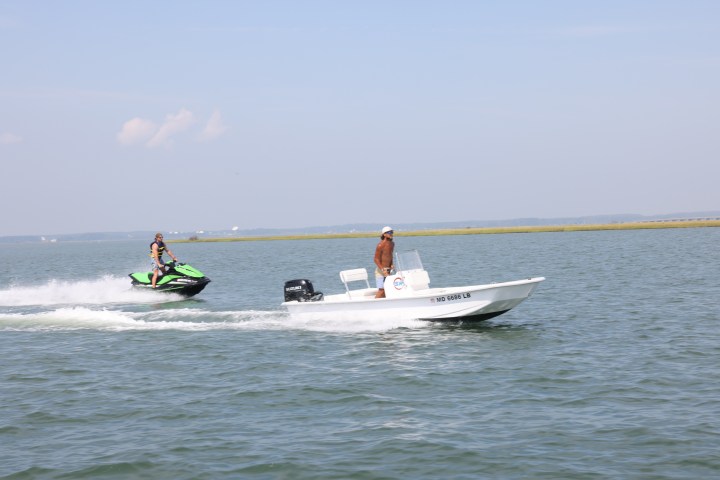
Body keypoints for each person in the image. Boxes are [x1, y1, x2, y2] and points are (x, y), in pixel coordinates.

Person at [373, 226, 395, 298]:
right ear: (384, 234)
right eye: (389, 232)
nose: (391, 234)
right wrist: (383, 270)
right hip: (380, 271)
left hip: (388, 271)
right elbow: (376, 259)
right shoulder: (380, 245)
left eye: (392, 232)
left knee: (388, 289)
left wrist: (391, 263)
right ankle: (374, 305)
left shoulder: (392, 244)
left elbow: (390, 255)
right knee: (381, 290)